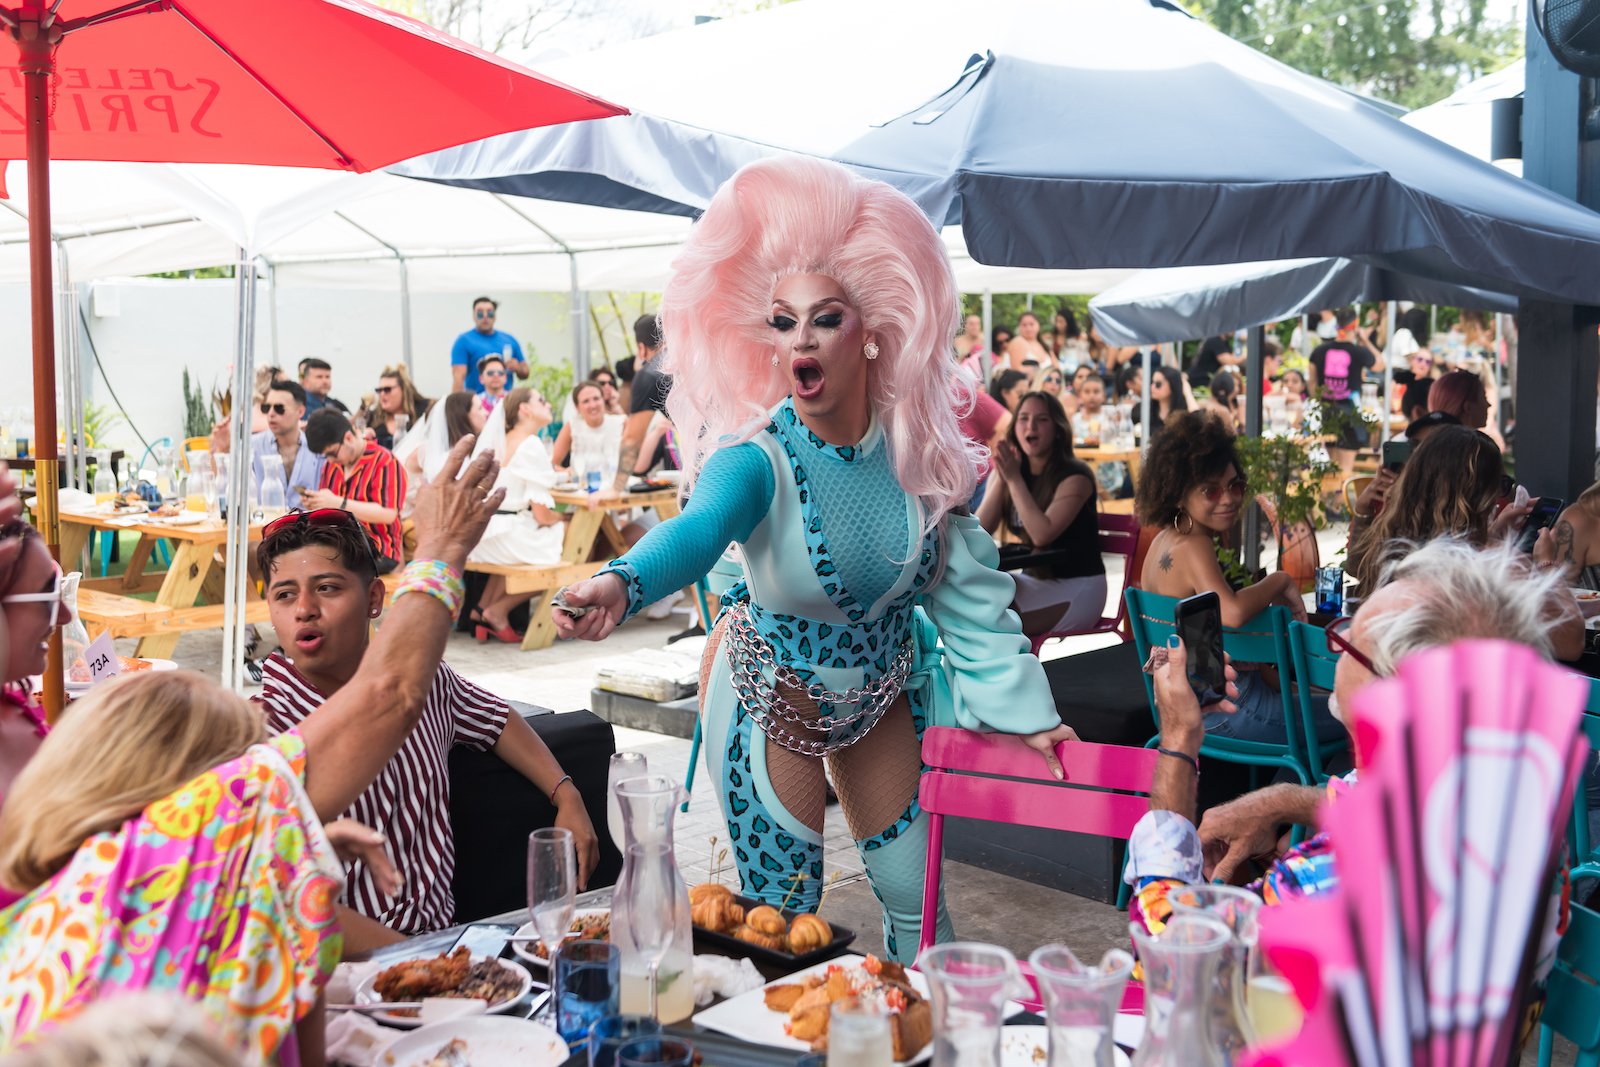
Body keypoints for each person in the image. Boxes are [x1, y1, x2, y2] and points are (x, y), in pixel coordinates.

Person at [550, 156, 1076, 960]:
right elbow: (697, 532)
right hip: (770, 698)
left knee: (921, 908)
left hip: (878, 695)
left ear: (872, 333)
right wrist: (622, 579)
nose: (801, 337)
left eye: (825, 317)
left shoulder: (917, 459)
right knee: (781, 925)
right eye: (782, 320)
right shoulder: (753, 457)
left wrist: (1031, 719)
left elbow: (968, 596)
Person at [0, 439, 506, 1063]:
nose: (64, 616)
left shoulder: (74, 897)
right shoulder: (194, 844)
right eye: (51, 590)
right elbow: (390, 694)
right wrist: (442, 548)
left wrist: (288, 856)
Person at [1128, 537, 1579, 1008]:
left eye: (1346, 642)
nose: (1334, 652)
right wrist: (1280, 802)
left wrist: (1178, 740)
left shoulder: (1334, 876)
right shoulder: (1529, 818)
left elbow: (1172, 962)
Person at [256, 500, 596, 939]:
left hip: (445, 939)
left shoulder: (428, 681)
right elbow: (282, 903)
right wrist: (416, 963)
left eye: (327, 588)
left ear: (374, 599)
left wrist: (566, 793)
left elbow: (495, 718)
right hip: (346, 970)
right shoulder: (266, 727)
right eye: (284, 594)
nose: (304, 609)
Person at [1135, 413, 1346, 750]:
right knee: (1364, 714)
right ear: (1177, 492)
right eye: (1211, 490)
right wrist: (1279, 581)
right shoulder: (1194, 544)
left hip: (1185, 709)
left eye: (1236, 485)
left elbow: (1211, 638)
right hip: (1229, 710)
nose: (1229, 498)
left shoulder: (1165, 539)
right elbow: (1231, 613)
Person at [1346, 427, 1556, 634]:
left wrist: (1492, 534)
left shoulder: (1398, 542)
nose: (1500, 496)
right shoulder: (1483, 571)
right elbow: (1570, 643)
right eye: (1501, 484)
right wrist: (1546, 564)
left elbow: (1357, 567)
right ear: (1474, 493)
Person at [977, 392, 1105, 638]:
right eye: (1023, 418)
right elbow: (980, 532)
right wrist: (1002, 480)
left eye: (1042, 419)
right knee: (972, 601)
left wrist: (1013, 479)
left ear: (1058, 429)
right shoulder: (1012, 470)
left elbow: (1041, 535)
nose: (1031, 426)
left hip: (1079, 585)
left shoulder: (1076, 476)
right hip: (1034, 579)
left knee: (996, 627)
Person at [466, 387, 569, 640]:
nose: (548, 405)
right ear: (525, 409)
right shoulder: (531, 443)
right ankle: (498, 611)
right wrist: (565, 518)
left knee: (527, 534)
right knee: (571, 537)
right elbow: (542, 516)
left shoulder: (503, 439)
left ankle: (482, 610)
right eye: (541, 400)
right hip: (506, 535)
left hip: (485, 534)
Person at [304, 409, 407, 571]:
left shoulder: (385, 461)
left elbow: (388, 514)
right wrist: (317, 503)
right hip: (340, 547)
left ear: (348, 438)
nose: (330, 459)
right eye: (325, 456)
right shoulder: (332, 465)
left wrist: (339, 503)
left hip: (377, 549)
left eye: (332, 453)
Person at [1308, 307, 1383, 474]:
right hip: (1350, 412)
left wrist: (1321, 401)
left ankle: (1332, 499)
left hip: (1327, 411)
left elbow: (1312, 382)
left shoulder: (1319, 351)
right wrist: (1366, 340)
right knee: (1346, 469)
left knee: (1333, 467)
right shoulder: (1359, 352)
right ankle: (1340, 500)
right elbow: (1380, 364)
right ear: (1355, 325)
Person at [611, 313, 671, 495]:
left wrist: (616, 489)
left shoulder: (650, 374)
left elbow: (632, 438)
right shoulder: (693, 359)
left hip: (713, 462)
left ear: (641, 348)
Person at [241, 380, 325, 510]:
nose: (271, 414)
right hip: (265, 527)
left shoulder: (317, 449)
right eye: (266, 408)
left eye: (279, 408)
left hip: (308, 527)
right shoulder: (250, 446)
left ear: (300, 412)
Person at [451, 296, 528, 394]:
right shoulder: (464, 341)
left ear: (495, 316)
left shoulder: (509, 340)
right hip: (476, 403)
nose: (485, 316)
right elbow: (458, 378)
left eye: (490, 313)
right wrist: (457, 406)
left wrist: (517, 367)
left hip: (505, 402)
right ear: (473, 316)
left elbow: (525, 372)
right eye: (480, 313)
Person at [553, 380, 626, 472]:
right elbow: (553, 464)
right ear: (577, 407)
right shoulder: (572, 426)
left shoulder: (621, 422)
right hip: (581, 484)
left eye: (596, 398)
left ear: (603, 400)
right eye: (586, 401)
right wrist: (566, 473)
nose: (593, 405)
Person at [368, 364, 431, 452]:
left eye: (387, 389)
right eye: (379, 390)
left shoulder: (424, 410)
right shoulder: (371, 418)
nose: (382, 394)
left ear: (403, 389)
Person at [1140, 365, 1189, 440]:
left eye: (1158, 384)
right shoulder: (1147, 410)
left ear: (1172, 385)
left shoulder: (1183, 413)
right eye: (1152, 382)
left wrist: (1187, 392)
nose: (1152, 387)